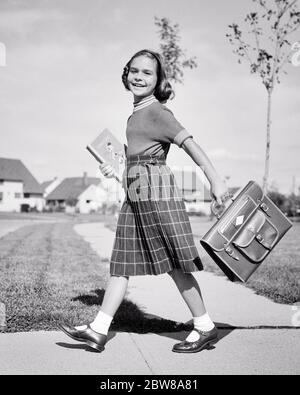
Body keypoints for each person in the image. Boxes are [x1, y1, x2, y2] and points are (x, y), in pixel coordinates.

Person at [59, 49, 229, 353]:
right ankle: (98, 330)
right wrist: (118, 170)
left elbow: (192, 146)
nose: (138, 77)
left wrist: (215, 180)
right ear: (126, 74)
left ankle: (204, 327)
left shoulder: (158, 113)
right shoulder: (135, 114)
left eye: (147, 73)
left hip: (158, 196)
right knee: (121, 263)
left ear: (158, 79)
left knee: (176, 264)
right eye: (134, 71)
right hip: (137, 196)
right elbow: (139, 160)